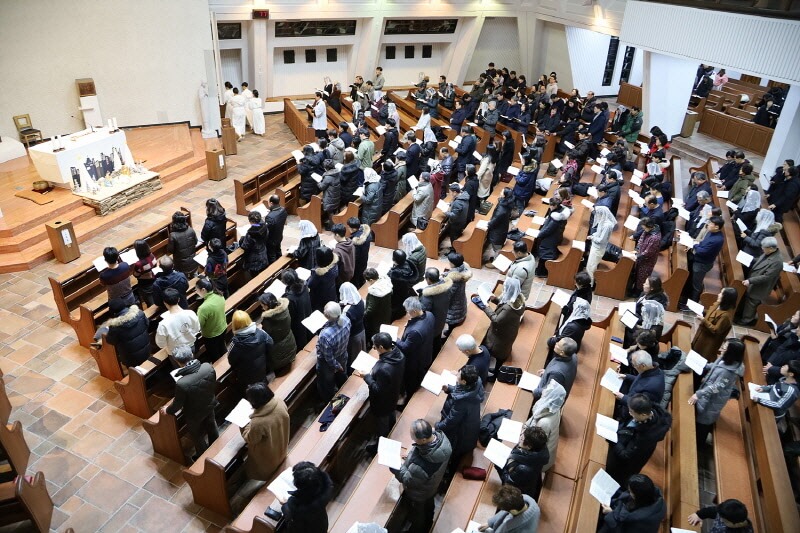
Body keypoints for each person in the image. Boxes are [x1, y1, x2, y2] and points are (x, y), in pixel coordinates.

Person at [390, 420, 452, 533]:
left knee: (418, 513)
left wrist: (395, 465)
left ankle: (418, 529)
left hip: (419, 493)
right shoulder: (442, 440)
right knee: (429, 504)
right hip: (432, 485)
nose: (412, 439)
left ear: (423, 440)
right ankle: (429, 522)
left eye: (413, 438)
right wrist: (410, 457)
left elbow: (408, 480)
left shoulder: (422, 466)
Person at [605, 394, 672, 485]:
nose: (630, 413)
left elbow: (625, 454)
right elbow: (637, 404)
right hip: (625, 438)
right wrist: (624, 398)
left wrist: (612, 439)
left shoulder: (645, 437)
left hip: (627, 463)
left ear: (643, 415)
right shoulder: (649, 409)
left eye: (632, 412)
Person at [689, 338, 745, 446]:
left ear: (731, 352)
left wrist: (699, 394)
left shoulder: (729, 373)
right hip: (707, 393)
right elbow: (714, 366)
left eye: (724, 348)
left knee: (703, 423)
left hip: (713, 400)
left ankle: (699, 444)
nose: (721, 349)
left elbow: (717, 388)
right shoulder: (726, 358)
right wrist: (702, 364)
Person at [166, 345, 218, 458]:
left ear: (177, 361)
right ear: (192, 355)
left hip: (194, 413)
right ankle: (217, 449)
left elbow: (177, 405)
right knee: (211, 425)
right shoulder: (207, 367)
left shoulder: (182, 383)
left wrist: (168, 410)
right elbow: (213, 384)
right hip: (209, 403)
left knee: (196, 434)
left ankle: (202, 456)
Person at [356, 332, 405, 444]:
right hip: (394, 393)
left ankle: (381, 442)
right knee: (391, 414)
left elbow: (377, 390)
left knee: (382, 424)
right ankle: (391, 427)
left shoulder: (383, 369)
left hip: (383, 402)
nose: (375, 349)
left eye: (375, 347)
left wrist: (367, 377)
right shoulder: (399, 355)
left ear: (381, 347)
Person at [472, 278, 525, 376]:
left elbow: (496, 320)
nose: (504, 289)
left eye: (505, 287)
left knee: (497, 353)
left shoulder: (509, 309)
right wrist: (494, 299)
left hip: (500, 335)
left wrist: (486, 307)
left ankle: (495, 373)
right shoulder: (517, 298)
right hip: (508, 331)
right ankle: (495, 368)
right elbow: (503, 304)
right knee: (502, 350)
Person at [240, 382, 288, 481]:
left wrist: (244, 425)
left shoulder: (259, 422)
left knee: (265, 471)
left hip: (268, 455)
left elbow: (251, 439)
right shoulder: (279, 402)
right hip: (281, 444)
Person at [436, 365, 484, 463]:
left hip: (461, 433)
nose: (457, 374)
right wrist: (449, 388)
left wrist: (437, 426)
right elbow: (462, 391)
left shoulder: (462, 402)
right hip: (469, 425)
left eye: (459, 375)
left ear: (464, 381)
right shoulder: (475, 383)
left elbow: (450, 421)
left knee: (454, 452)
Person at [736, 237, 783, 326]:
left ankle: (746, 320)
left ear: (771, 248)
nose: (762, 249)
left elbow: (767, 277)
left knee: (752, 303)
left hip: (760, 287)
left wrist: (750, 280)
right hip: (754, 281)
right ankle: (740, 315)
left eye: (764, 248)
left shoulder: (777, 262)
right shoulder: (768, 253)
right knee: (747, 300)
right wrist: (746, 258)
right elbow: (759, 261)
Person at [396, 297, 436, 401]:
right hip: (426, 351)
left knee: (411, 381)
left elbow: (406, 348)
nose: (407, 313)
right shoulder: (429, 315)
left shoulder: (415, 331)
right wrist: (411, 325)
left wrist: (395, 339)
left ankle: (409, 396)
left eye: (407, 311)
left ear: (414, 311)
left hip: (415, 361)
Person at [599, 474, 666, 533]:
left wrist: (610, 513)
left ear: (638, 496)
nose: (629, 492)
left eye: (631, 492)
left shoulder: (639, 520)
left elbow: (621, 530)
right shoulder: (653, 497)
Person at [497, 425, 549, 499]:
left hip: (518, 494)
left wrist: (499, 465)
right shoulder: (540, 448)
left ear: (529, 446)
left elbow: (508, 482)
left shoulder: (523, 469)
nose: (520, 437)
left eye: (522, 438)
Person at [280, 462, 333, 533]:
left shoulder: (297, 506)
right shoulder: (325, 489)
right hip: (322, 525)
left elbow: (289, 514)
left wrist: (285, 504)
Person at [525, 380, 565, 472]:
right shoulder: (553, 407)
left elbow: (534, 445)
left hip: (540, 461)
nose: (544, 390)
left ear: (551, 396)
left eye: (548, 390)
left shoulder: (544, 423)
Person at [96, 298, 150, 367]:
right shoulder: (140, 313)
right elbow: (147, 324)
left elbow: (111, 341)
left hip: (131, 359)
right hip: (147, 350)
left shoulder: (115, 326)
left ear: (113, 312)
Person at [228, 310, 273, 392]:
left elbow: (231, 361)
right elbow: (270, 343)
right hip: (262, 371)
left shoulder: (235, 344)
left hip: (246, 379)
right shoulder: (261, 333)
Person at [316, 302, 351, 403]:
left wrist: (337, 366)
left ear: (327, 316)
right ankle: (344, 391)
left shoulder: (325, 335)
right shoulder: (346, 319)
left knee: (327, 383)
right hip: (343, 354)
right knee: (342, 376)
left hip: (328, 364)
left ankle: (329, 401)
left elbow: (329, 358)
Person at [752, 360, 800, 429]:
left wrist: (759, 400)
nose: (782, 366)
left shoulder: (791, 391)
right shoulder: (784, 378)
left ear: (791, 374)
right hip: (768, 401)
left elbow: (779, 405)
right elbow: (774, 387)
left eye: (785, 366)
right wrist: (764, 388)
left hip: (772, 414)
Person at [686, 216, 725, 301]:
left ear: (716, 227)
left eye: (711, 223)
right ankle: (686, 297)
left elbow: (703, 251)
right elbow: (702, 243)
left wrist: (694, 245)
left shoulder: (717, 240)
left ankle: (693, 302)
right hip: (698, 259)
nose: (708, 224)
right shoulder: (711, 232)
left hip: (702, 264)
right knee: (692, 280)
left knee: (696, 285)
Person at [534, 193, 572, 278]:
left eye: (551, 205)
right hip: (556, 236)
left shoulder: (556, 218)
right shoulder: (561, 211)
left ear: (554, 206)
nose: (550, 207)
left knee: (544, 254)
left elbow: (548, 230)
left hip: (550, 239)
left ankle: (541, 272)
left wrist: (539, 234)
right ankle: (540, 270)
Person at [692, 287, 737, 358]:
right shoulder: (718, 304)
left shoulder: (726, 316)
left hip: (708, 343)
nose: (718, 294)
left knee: (700, 357)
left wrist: (703, 320)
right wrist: (701, 310)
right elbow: (711, 312)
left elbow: (716, 330)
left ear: (726, 298)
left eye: (721, 293)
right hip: (701, 335)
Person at [257, 292, 296, 375]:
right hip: (290, 344)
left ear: (267, 305)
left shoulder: (269, 320)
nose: (262, 308)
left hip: (278, 353)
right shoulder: (285, 310)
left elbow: (266, 336)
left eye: (262, 306)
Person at [624, 275, 668, 348]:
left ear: (652, 288)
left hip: (645, 329)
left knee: (626, 326)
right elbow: (638, 306)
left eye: (646, 284)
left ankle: (627, 346)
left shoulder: (653, 305)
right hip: (639, 318)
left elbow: (645, 321)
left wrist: (632, 316)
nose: (643, 284)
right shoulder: (646, 293)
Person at [155, 288, 200, 357]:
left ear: (164, 302)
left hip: (176, 353)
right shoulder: (190, 313)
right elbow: (197, 329)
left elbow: (161, 344)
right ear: (179, 299)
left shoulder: (163, 324)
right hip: (191, 346)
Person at [195, 277, 226, 362]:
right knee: (223, 348)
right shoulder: (219, 295)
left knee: (215, 356)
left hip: (212, 335)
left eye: (196, 290)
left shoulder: (203, 308)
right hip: (223, 328)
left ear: (203, 290)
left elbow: (199, 325)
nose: (196, 292)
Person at [281, 269, 313, 349]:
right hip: (307, 313)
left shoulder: (290, 298)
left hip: (299, 323)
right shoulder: (304, 285)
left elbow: (291, 315)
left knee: (301, 342)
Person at [585, 206, 616, 284]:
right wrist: (593, 235)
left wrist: (592, 238)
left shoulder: (607, 225)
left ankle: (590, 284)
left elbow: (601, 240)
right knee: (590, 266)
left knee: (591, 267)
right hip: (595, 247)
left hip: (598, 249)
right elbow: (599, 233)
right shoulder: (603, 221)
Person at [630, 218, 661, 294]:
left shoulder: (655, 238)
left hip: (648, 260)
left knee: (642, 277)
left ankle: (638, 292)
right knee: (637, 273)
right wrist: (637, 249)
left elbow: (648, 252)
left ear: (649, 226)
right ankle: (634, 289)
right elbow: (641, 240)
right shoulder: (647, 230)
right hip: (641, 255)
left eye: (644, 228)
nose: (644, 229)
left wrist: (637, 256)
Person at [363, 268, 393, 346]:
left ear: (371, 280)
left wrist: (364, 315)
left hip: (376, 318)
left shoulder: (374, 291)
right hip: (386, 312)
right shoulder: (385, 283)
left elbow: (371, 310)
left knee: (375, 333)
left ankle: (374, 345)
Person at [339, 282, 366, 367]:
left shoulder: (347, 311)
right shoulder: (360, 301)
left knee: (354, 357)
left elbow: (342, 324)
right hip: (361, 331)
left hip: (353, 336)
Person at [687, 499, 754, 532]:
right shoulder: (724, 512)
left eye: (723, 520)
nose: (720, 519)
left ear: (735, 524)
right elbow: (712, 511)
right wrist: (699, 515)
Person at [388, 249, 418, 321]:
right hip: (405, 290)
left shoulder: (396, 274)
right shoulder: (408, 265)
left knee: (397, 304)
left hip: (397, 292)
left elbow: (390, 279)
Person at [445, 252, 472, 331]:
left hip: (454, 306)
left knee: (452, 323)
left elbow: (449, 294)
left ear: (453, 264)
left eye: (450, 261)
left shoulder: (454, 279)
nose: (449, 263)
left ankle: (450, 332)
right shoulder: (463, 269)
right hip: (460, 297)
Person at [308, 247, 339, 313]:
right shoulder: (334, 265)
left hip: (321, 301)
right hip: (331, 294)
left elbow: (310, 284)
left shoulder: (319, 274)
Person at [239, 211, 269, 278]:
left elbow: (245, 246)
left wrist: (242, 239)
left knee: (255, 276)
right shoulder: (264, 226)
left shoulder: (250, 234)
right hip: (263, 252)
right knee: (263, 273)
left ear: (251, 221)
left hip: (254, 258)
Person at [131, 239, 157, 306]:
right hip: (154, 280)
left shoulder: (139, 264)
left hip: (145, 285)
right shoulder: (151, 255)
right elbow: (155, 265)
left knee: (151, 304)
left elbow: (136, 275)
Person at [347, 218, 372, 288]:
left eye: (348, 227)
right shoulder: (366, 232)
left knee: (355, 277)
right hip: (364, 257)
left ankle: (358, 288)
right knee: (362, 274)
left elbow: (355, 255)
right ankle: (362, 284)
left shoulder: (357, 241)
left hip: (358, 262)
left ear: (353, 229)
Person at [263, 195, 288, 264]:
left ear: (271, 203)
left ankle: (274, 267)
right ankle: (281, 264)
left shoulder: (270, 217)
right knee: (278, 251)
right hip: (279, 236)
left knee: (272, 256)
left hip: (271, 240)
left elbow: (266, 230)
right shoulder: (283, 210)